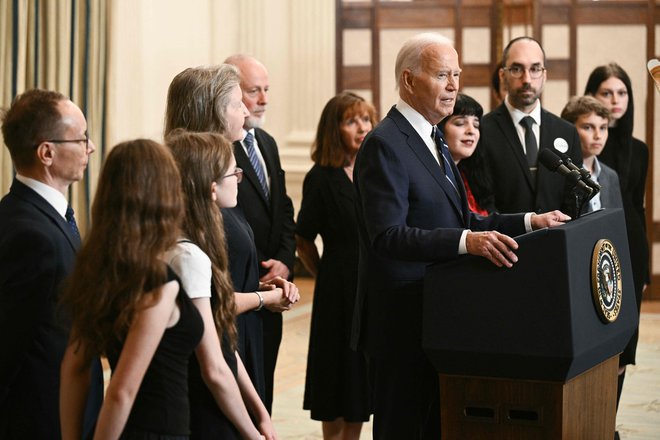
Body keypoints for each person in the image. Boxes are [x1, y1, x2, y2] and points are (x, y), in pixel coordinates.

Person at [351, 32, 570, 439]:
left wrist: (529, 222)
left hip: (440, 316)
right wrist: (465, 242)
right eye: (441, 75)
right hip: (401, 322)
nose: (454, 86)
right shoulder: (385, 143)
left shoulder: (433, 137)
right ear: (408, 80)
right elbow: (388, 237)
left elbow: (464, 218)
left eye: (457, 75)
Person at [165, 64, 299, 407]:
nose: (246, 110)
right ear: (214, 111)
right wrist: (263, 298)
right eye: (237, 102)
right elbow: (206, 298)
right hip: (219, 346)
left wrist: (262, 286)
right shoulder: (194, 188)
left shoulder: (222, 178)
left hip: (242, 333)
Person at [59, 139, 204, 438]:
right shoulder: (154, 280)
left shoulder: (100, 270)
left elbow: (73, 369)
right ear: (163, 196)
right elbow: (122, 390)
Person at [0, 88, 102, 439]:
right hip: (42, 418)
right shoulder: (31, 235)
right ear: (47, 152)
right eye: (82, 138)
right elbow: (10, 345)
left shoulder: (41, 216)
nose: (90, 147)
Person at [165, 129, 276, 440]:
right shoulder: (188, 257)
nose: (239, 177)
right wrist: (251, 432)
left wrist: (260, 413)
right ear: (212, 189)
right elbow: (213, 368)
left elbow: (223, 342)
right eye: (234, 172)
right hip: (202, 411)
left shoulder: (196, 248)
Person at [296, 92, 376, 440]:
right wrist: (323, 274)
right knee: (335, 379)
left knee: (360, 379)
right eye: (351, 121)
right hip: (336, 291)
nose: (361, 127)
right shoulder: (321, 177)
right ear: (334, 129)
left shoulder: (375, 171)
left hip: (372, 287)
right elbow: (302, 239)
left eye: (365, 119)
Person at [224, 54, 297, 413]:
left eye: (266, 89)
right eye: (254, 91)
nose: (264, 99)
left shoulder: (266, 142)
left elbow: (282, 209)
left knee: (262, 386)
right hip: (238, 285)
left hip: (272, 285)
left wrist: (284, 260)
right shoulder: (219, 147)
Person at [584, 63, 649, 438]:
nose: (615, 100)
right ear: (592, 95)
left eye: (621, 92)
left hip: (631, 251)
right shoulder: (583, 143)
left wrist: (643, 269)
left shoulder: (638, 150)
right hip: (595, 253)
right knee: (596, 348)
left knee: (623, 350)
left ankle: (607, 426)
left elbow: (638, 210)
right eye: (606, 92)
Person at [480, 36, 583, 215]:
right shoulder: (482, 130)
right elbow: (482, 200)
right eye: (517, 69)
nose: (527, 79)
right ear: (503, 75)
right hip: (505, 239)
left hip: (557, 239)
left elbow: (574, 198)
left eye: (535, 69)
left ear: (544, 75)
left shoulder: (567, 132)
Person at [560, 95, 623, 213]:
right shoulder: (560, 174)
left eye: (603, 128)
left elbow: (616, 223)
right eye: (588, 127)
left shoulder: (611, 175)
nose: (598, 136)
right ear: (569, 129)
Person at [438, 93, 495, 215]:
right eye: (460, 123)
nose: (471, 131)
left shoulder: (473, 175)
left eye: (476, 125)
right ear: (440, 128)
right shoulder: (434, 178)